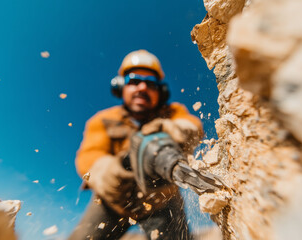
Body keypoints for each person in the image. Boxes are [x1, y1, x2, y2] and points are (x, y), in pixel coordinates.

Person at [69, 49, 203, 240]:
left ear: (160, 91)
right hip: (113, 200)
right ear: (120, 87)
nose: (142, 87)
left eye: (150, 83)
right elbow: (88, 156)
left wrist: (171, 130)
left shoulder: (173, 112)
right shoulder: (103, 120)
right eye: (134, 81)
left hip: (161, 199)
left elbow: (192, 126)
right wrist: (108, 171)